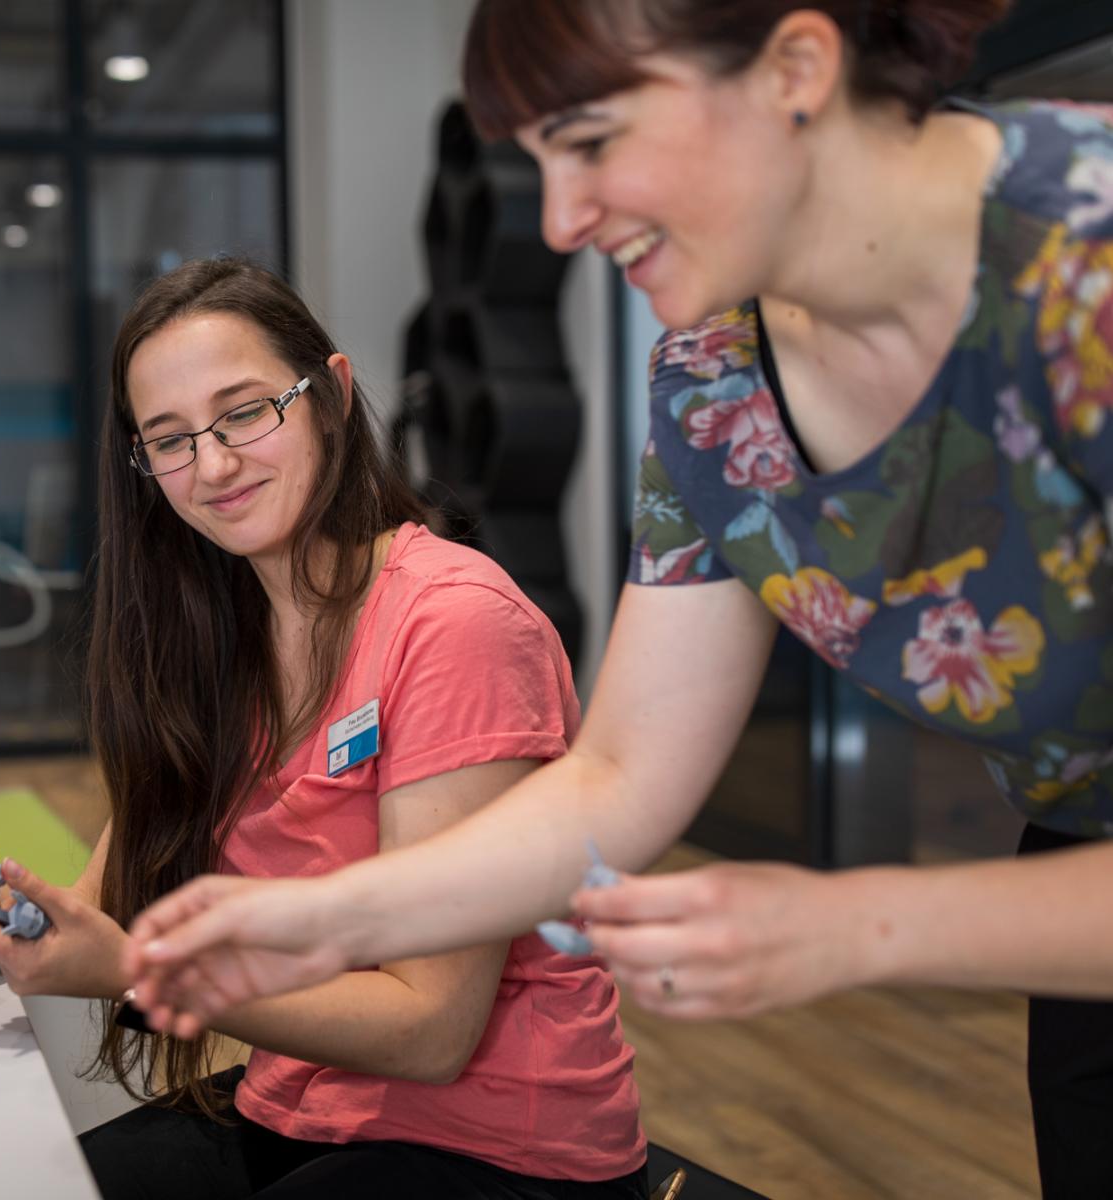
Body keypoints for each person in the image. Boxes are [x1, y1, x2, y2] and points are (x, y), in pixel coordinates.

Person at [121, 3, 1113, 1195]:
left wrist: (851, 926)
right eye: (538, 162)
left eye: (590, 140)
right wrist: (334, 922)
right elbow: (621, 776)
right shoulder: (712, 382)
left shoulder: (1085, 263)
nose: (561, 219)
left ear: (797, 67)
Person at [0, 258, 649, 1198]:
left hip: (496, 1147)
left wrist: (128, 964)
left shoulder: (454, 622)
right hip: (305, 1106)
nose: (212, 464)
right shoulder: (213, 643)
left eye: (245, 412)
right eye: (170, 439)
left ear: (332, 393)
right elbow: (102, 918)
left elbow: (431, 1029)